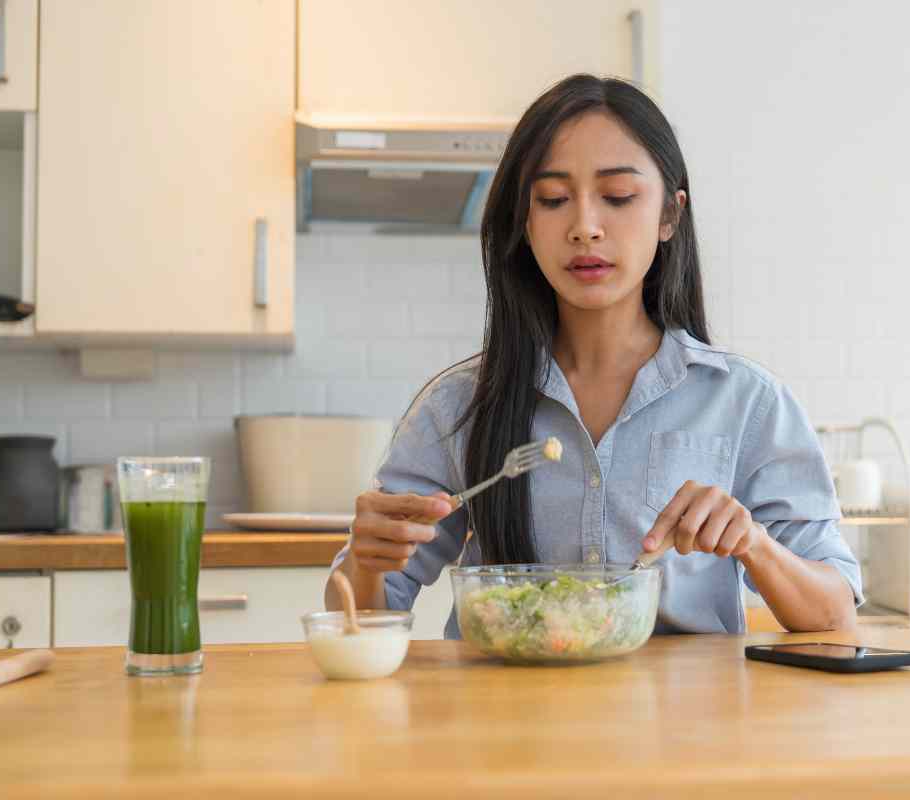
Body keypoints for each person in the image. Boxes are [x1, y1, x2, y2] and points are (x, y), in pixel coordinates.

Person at [326, 74, 861, 636]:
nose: (584, 227)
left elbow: (834, 611)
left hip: (684, 723)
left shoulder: (747, 402)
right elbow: (358, 622)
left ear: (669, 216)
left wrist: (753, 543)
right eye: (553, 200)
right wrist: (367, 561)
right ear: (525, 224)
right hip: (501, 721)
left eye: (618, 197)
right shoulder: (458, 405)